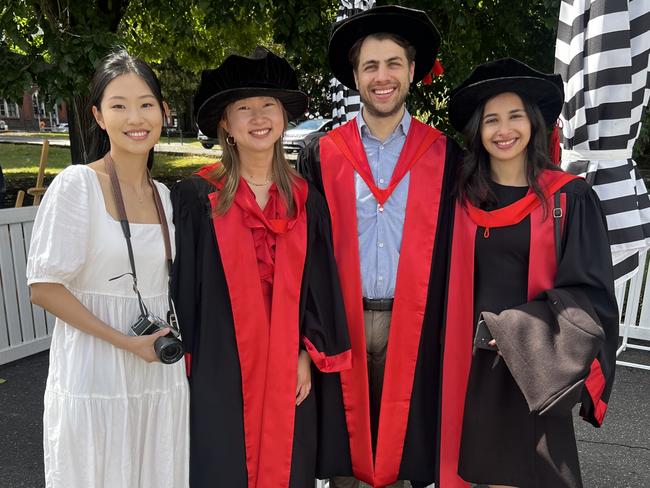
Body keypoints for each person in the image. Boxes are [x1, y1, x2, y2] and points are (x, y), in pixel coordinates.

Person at [171, 46, 351, 488]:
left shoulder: (309, 202)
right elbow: (185, 294)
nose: (258, 117)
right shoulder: (198, 199)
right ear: (226, 125)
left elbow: (320, 289)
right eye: (244, 108)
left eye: (268, 105)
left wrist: (308, 353)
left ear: (284, 117)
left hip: (291, 367)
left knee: (289, 467)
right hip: (220, 369)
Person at [298, 5, 461, 488]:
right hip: (340, 324)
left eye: (393, 63)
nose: (382, 76)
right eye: (370, 66)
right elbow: (304, 254)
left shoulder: (447, 156)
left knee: (411, 452)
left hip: (416, 323)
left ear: (412, 71)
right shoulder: (322, 154)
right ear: (356, 76)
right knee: (345, 454)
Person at [441, 57, 619, 487]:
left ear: (534, 124)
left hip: (533, 362)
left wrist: (519, 330)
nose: (504, 131)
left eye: (515, 117)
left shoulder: (568, 199)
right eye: (491, 120)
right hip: (466, 361)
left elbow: (591, 292)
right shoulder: (460, 198)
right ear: (477, 132)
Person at [26, 50, 189, 488]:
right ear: (98, 115)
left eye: (146, 104)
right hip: (95, 371)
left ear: (163, 111)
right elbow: (43, 288)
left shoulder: (165, 196)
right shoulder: (77, 185)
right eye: (119, 105)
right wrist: (123, 342)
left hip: (156, 372)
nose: (135, 117)